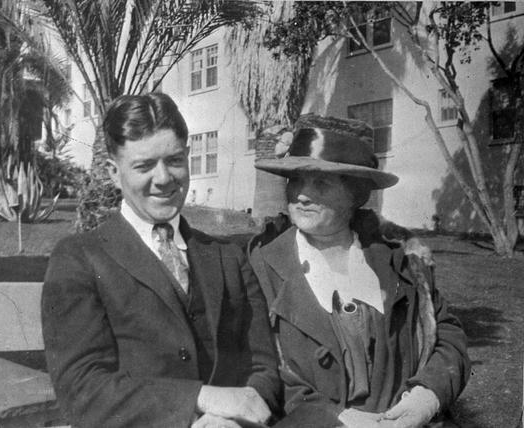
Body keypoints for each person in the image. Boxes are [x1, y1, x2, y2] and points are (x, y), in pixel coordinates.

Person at [42, 93, 280, 428]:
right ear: (113, 172)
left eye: (174, 160)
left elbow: (263, 367)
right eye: (143, 166)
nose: (164, 178)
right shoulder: (80, 258)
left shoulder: (229, 258)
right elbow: (80, 391)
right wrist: (201, 398)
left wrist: (233, 419)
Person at [248, 114, 470, 428]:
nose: (301, 194)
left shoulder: (402, 262)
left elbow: (448, 335)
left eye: (321, 182)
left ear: (356, 192)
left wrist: (428, 394)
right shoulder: (259, 267)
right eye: (295, 179)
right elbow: (256, 369)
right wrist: (334, 419)